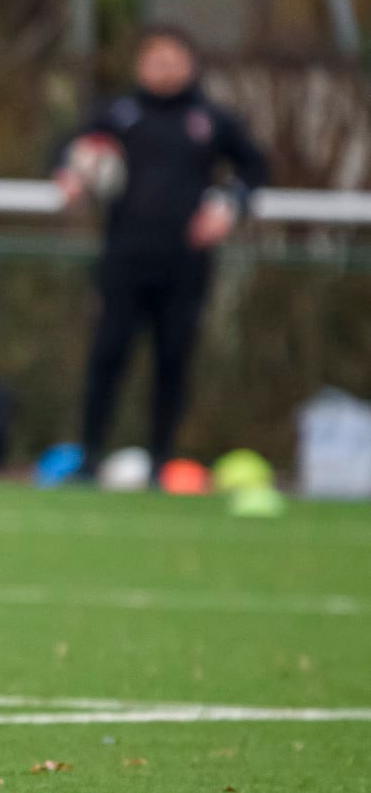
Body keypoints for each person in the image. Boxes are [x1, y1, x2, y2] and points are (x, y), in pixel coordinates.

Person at [54, 25, 269, 479]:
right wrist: (70, 173)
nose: (166, 69)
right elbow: (66, 151)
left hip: (186, 262)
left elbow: (255, 167)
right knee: (107, 354)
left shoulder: (211, 118)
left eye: (175, 60)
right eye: (157, 60)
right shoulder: (117, 114)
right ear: (141, 65)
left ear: (190, 64)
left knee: (173, 359)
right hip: (124, 258)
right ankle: (89, 455)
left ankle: (161, 459)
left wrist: (228, 205)